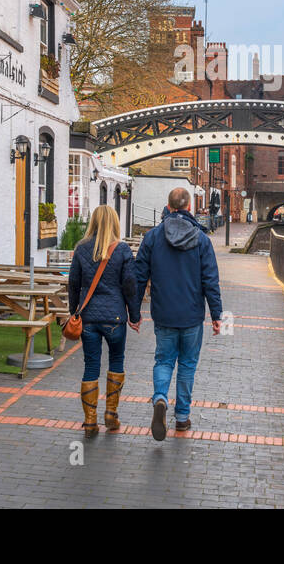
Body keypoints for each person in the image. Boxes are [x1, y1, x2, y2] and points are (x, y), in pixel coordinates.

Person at [133, 186, 223, 440]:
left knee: (163, 361)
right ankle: (182, 417)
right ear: (189, 208)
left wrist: (134, 311)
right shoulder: (202, 240)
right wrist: (216, 315)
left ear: (169, 207)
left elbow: (139, 277)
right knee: (187, 365)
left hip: (163, 314)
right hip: (192, 315)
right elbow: (210, 281)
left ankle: (160, 397)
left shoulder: (152, 237)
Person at [68, 205, 141, 437]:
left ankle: (90, 422)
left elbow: (73, 284)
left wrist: (74, 312)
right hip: (115, 317)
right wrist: (135, 315)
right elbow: (130, 286)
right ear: (115, 223)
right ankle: (111, 413)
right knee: (116, 362)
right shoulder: (122, 250)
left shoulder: (81, 249)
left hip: (88, 318)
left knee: (91, 366)